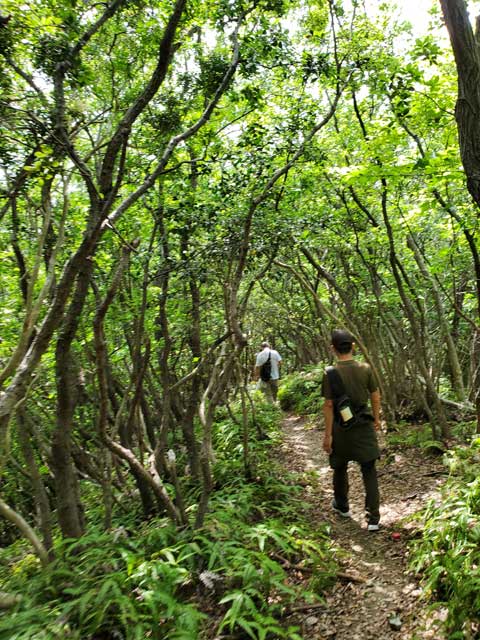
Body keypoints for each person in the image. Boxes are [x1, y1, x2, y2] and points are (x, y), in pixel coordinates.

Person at [321, 329, 382, 531]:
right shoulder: (365, 368)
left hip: (341, 428)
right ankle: (373, 517)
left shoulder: (330, 373)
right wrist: (377, 419)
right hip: (363, 425)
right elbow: (375, 395)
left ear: (333, 349)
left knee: (339, 466)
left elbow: (329, 405)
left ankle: (342, 505)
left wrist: (327, 435)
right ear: (353, 346)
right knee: (369, 469)